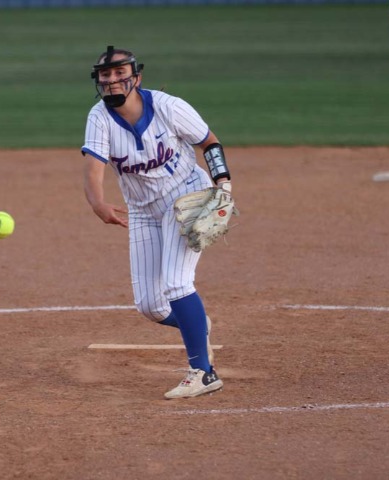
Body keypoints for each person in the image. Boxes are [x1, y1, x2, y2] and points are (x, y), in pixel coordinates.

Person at [81, 46, 235, 399]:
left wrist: (224, 186)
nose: (112, 80)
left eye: (120, 73)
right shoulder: (99, 117)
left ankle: (204, 372)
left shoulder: (168, 107)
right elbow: (93, 168)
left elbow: (209, 142)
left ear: (136, 77)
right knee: (151, 305)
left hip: (187, 196)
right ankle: (197, 324)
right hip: (142, 210)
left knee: (177, 283)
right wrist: (97, 202)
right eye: (105, 74)